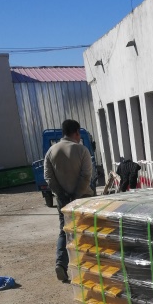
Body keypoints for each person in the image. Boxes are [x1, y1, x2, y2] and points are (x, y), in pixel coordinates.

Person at [44, 119, 94, 283]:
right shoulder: (82, 150)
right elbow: (86, 176)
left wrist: (62, 195)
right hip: (83, 199)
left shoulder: (51, 151)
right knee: (86, 231)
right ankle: (89, 267)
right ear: (77, 132)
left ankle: (61, 263)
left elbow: (48, 177)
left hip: (62, 200)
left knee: (64, 231)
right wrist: (76, 196)